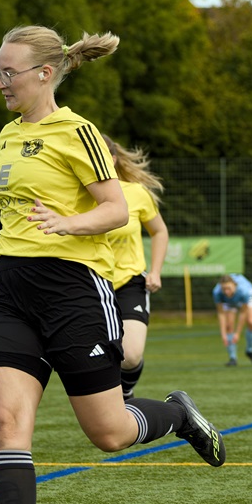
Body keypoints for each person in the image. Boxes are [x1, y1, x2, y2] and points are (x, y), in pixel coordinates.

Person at [0, 25, 226, 504]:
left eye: (8, 72)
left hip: (72, 292)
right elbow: (11, 199)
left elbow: (114, 210)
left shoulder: (78, 131)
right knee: (6, 423)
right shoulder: (10, 134)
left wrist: (69, 223)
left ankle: (178, 415)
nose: (0, 81)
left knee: (109, 433)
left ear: (44, 74)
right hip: (10, 291)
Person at [102, 136, 169, 399]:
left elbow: (159, 231)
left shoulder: (135, 193)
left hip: (129, 281)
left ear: (113, 159)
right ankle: (107, 405)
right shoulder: (73, 194)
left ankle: (125, 395)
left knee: (130, 356)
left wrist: (155, 271)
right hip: (90, 282)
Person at [213, 273, 252, 366]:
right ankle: (232, 358)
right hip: (229, 301)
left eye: (229, 288)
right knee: (229, 326)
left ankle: (249, 350)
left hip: (249, 296)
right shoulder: (217, 292)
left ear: (234, 285)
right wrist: (223, 334)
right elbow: (221, 313)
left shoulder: (244, 291)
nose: (226, 292)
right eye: (224, 289)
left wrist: (237, 333)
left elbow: (243, 313)